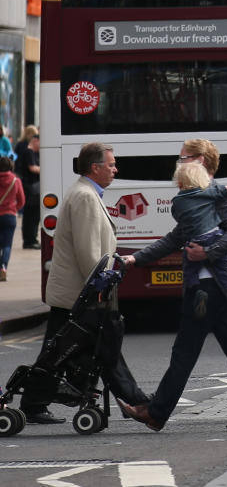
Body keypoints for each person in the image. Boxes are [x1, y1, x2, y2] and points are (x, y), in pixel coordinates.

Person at [119, 140, 227, 432]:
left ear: (201, 161)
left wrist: (208, 253)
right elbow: (175, 238)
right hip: (212, 287)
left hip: (210, 287)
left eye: (184, 158)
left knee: (186, 351)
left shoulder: (216, 195)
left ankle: (156, 412)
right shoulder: (193, 197)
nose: (178, 164)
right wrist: (135, 259)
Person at [22, 142, 148, 425]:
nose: (116, 169)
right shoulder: (85, 197)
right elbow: (88, 251)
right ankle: (135, 401)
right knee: (100, 348)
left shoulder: (87, 193)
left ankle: (34, 402)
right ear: (95, 167)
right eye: (111, 164)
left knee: (60, 351)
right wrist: (99, 288)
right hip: (78, 294)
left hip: (75, 293)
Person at [168, 160, 227, 318]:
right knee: (225, 265)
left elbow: (177, 217)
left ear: (179, 183)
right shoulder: (209, 193)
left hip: (196, 239)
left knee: (190, 266)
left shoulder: (177, 202)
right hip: (215, 236)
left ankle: (196, 291)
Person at [15, 127, 40, 249]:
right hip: (31, 188)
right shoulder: (29, 152)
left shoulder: (30, 152)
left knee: (33, 215)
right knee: (32, 215)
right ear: (35, 141)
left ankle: (31, 239)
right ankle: (30, 240)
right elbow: (32, 168)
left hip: (31, 188)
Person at [0, 155, 24, 281]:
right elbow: (22, 200)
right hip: (9, 215)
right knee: (7, 244)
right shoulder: (16, 180)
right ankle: (3, 267)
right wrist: (15, 208)